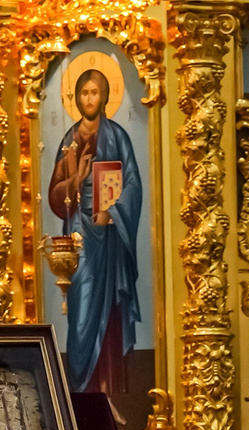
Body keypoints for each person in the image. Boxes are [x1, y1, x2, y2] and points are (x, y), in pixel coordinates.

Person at [47, 61, 143, 399]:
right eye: (84, 92)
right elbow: (56, 195)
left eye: (95, 92)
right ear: (76, 97)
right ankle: (80, 390)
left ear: (104, 96)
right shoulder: (68, 141)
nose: (89, 98)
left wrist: (113, 212)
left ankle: (108, 392)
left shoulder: (117, 136)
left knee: (110, 310)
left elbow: (132, 182)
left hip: (110, 235)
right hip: (80, 233)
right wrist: (78, 177)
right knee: (82, 307)